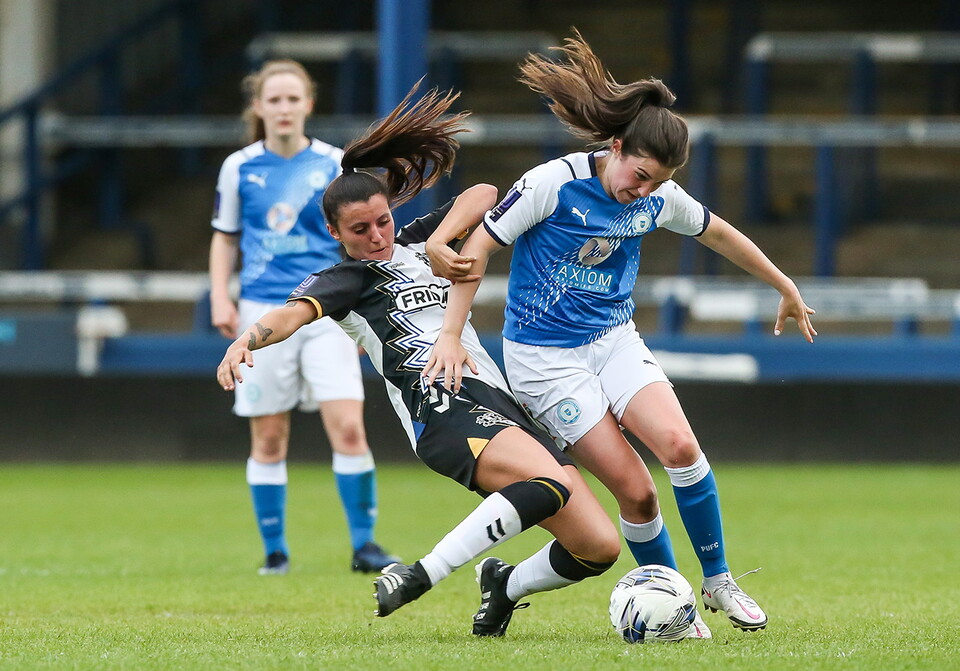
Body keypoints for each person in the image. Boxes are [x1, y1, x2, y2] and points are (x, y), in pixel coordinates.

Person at [424, 31, 818, 636]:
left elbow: (717, 232)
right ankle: (672, 608)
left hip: (614, 339)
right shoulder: (550, 184)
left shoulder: (657, 196)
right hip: (544, 360)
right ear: (615, 146)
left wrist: (783, 283)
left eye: (656, 183)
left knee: (682, 449)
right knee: (636, 494)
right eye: (638, 176)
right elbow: (476, 249)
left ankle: (716, 582)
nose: (643, 191)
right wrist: (451, 334)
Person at [216, 83, 621, 638]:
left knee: (598, 547)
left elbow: (485, 192)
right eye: (360, 230)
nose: (377, 236)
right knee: (549, 483)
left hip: (498, 401)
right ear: (334, 233)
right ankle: (420, 574)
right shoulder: (349, 281)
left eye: (382, 220)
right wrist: (248, 339)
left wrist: (441, 238)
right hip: (441, 404)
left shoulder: (415, 240)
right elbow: (292, 314)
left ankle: (503, 585)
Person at [209, 59, 397, 575]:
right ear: (259, 107)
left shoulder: (334, 163)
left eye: (294, 99)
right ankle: (275, 552)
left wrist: (360, 310)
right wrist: (220, 298)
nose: (285, 108)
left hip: (326, 311)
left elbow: (358, 238)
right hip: (262, 310)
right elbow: (225, 237)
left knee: (349, 429)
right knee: (269, 436)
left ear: (308, 104)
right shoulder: (240, 166)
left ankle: (365, 545)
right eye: (275, 99)